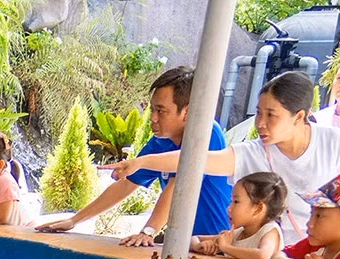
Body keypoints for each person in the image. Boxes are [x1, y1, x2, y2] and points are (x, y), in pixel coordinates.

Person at [104, 71, 340, 242]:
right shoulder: (252, 151)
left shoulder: (335, 143)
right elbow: (196, 160)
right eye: (258, 113)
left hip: (330, 254)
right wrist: (141, 162)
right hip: (275, 257)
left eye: (271, 115)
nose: (260, 123)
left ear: (299, 116)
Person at [38, 66, 232, 245]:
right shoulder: (160, 141)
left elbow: (178, 188)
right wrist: (74, 220)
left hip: (216, 244)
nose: (153, 118)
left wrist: (148, 232)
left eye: (161, 111)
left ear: (188, 112)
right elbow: (127, 184)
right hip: (187, 243)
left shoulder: (206, 133)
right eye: (152, 109)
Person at [189, 171, 289, 259]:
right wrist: (198, 246)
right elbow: (193, 238)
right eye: (231, 201)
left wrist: (226, 247)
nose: (229, 208)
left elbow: (262, 256)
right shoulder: (237, 234)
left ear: (258, 209)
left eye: (236, 202)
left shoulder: (270, 230)